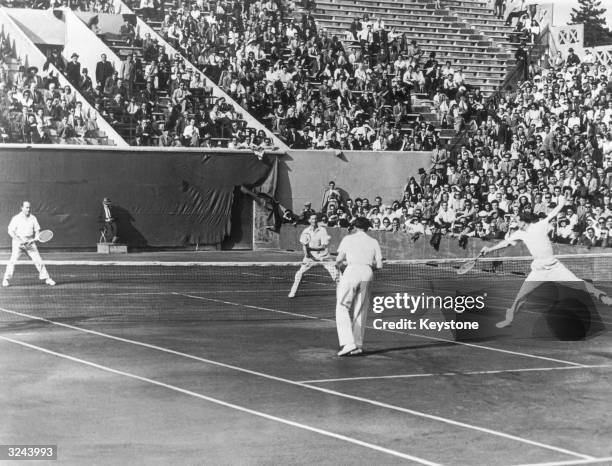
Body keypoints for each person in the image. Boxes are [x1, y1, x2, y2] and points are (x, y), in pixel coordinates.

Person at [480, 197, 612, 328]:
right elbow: (505, 243)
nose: (515, 222)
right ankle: (509, 319)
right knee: (521, 296)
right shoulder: (520, 233)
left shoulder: (539, 226)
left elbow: (553, 213)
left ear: (524, 221)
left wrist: (561, 203)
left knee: (579, 283)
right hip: (538, 271)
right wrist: (489, 249)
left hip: (555, 268)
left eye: (517, 221)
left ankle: (601, 296)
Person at [334, 217, 383, 356]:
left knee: (342, 307)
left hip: (351, 271)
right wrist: (366, 264)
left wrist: (342, 267)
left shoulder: (348, 239)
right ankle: (357, 345)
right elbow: (379, 265)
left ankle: (348, 343)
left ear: (355, 226)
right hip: (367, 273)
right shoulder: (374, 241)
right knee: (361, 310)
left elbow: (338, 260)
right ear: (368, 228)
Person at [3, 201, 55, 287]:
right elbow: (10, 231)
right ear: (22, 208)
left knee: (39, 261)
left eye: (29, 207)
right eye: (26, 207)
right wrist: (19, 240)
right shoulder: (16, 218)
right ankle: (6, 279)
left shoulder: (33, 218)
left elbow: (37, 231)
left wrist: (34, 239)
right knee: (12, 261)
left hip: (30, 243)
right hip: (18, 243)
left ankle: (47, 278)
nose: (28, 209)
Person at [288, 213, 338, 298]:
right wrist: (307, 254)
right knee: (299, 274)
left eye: (315, 219)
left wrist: (311, 249)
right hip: (310, 258)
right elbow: (304, 245)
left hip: (324, 257)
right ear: (309, 220)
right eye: (312, 219)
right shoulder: (306, 231)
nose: (314, 221)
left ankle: (341, 293)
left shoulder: (322, 230)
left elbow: (323, 247)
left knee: (336, 275)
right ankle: (293, 292)